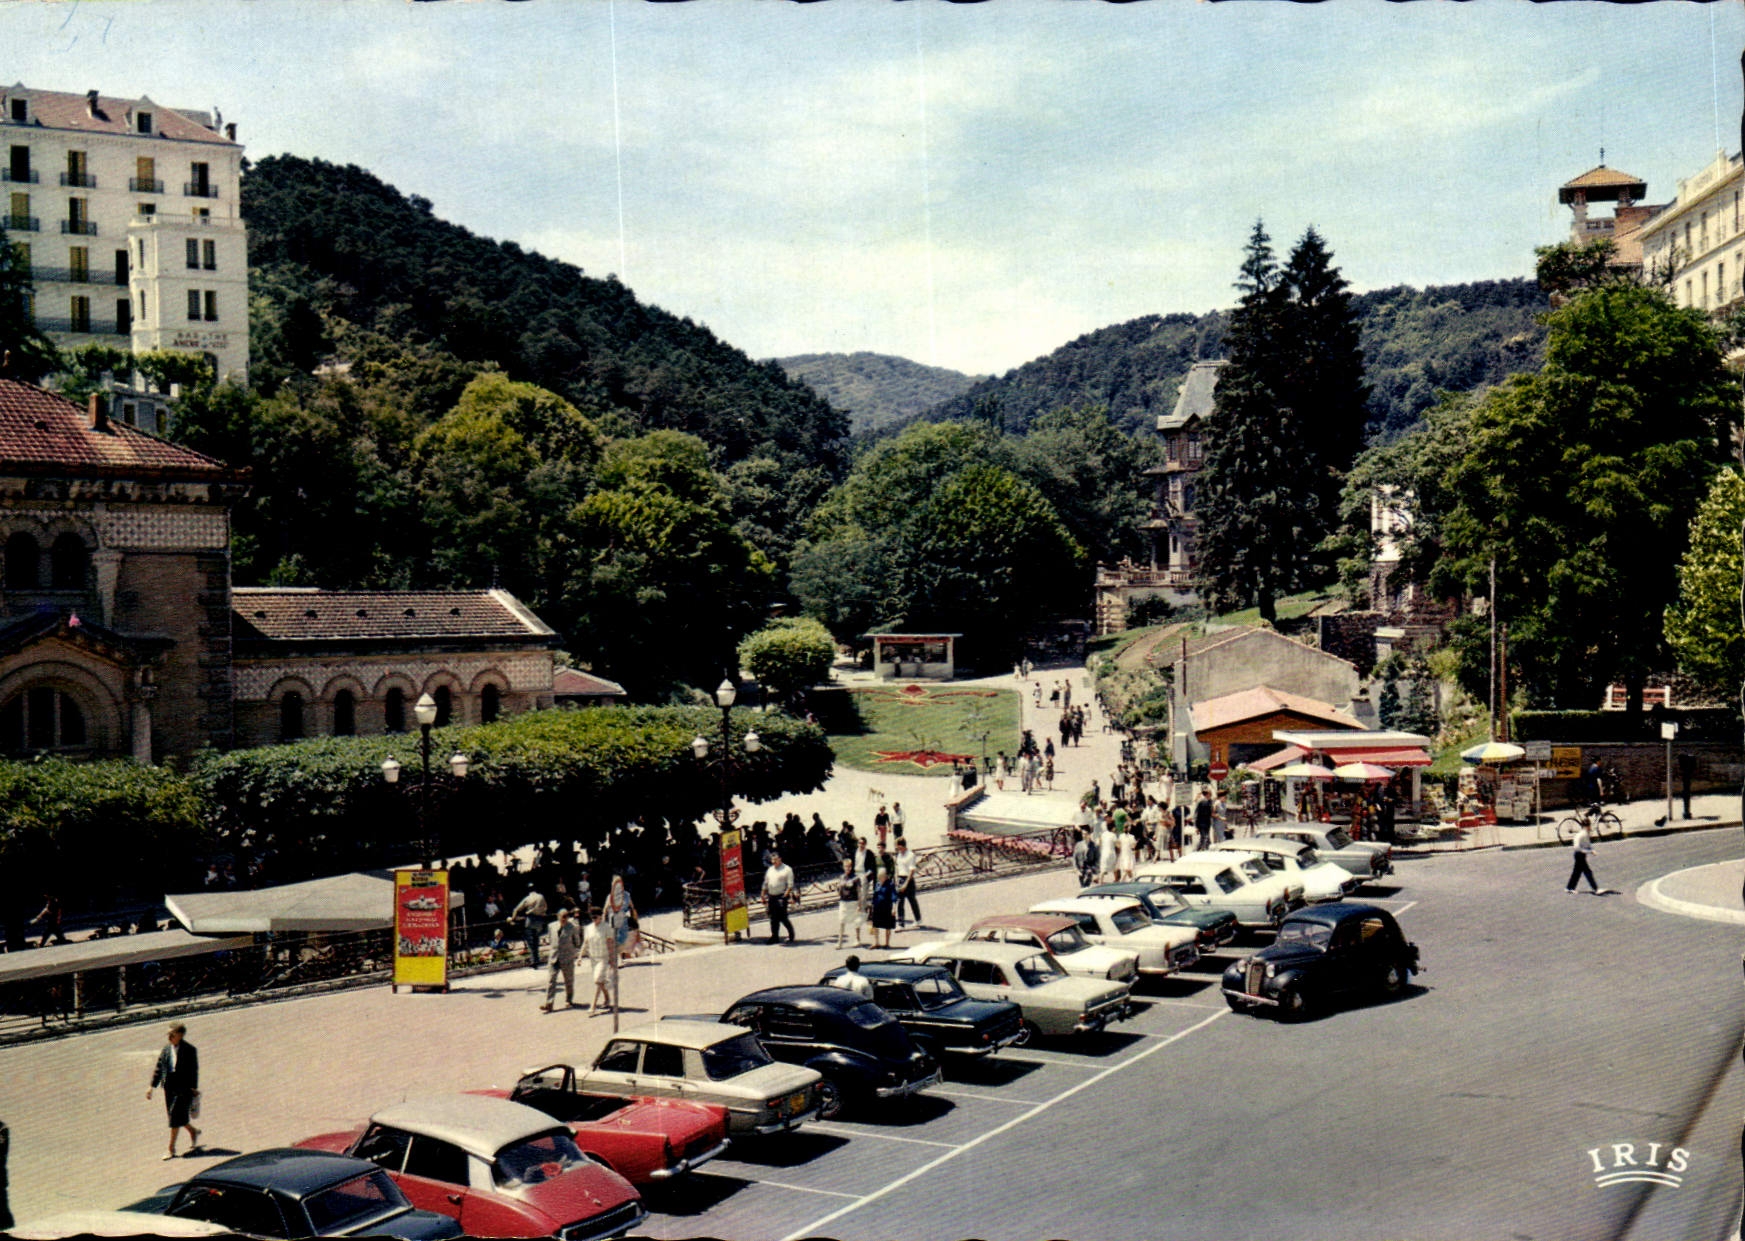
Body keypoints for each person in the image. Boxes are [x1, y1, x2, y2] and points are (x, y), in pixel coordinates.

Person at [146, 1022, 201, 1160]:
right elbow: (159, 1068)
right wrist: (151, 1086)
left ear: (180, 1035)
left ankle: (171, 1149)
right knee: (175, 1116)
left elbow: (193, 1070)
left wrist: (193, 1087)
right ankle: (193, 1131)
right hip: (169, 1088)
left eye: (172, 1034)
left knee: (175, 1117)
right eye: (168, 1034)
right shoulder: (165, 1050)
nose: (169, 1037)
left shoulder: (189, 1050)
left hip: (183, 1089)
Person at [540, 908, 583, 1012]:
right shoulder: (551, 926)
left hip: (567, 957)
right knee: (551, 980)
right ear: (558, 916)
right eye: (562, 916)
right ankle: (549, 1003)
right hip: (554, 957)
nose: (564, 919)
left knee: (568, 980)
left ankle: (569, 999)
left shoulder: (572, 927)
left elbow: (577, 942)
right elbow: (551, 939)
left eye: (566, 916)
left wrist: (573, 952)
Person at [582, 909, 614, 1014]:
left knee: (597, 980)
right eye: (592, 917)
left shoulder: (606, 927)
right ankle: (607, 998)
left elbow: (610, 943)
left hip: (603, 958)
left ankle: (593, 1006)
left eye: (595, 917)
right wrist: (579, 956)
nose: (594, 919)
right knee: (600, 981)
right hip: (593, 958)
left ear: (601, 916)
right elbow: (585, 942)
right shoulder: (588, 928)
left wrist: (612, 959)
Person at [510, 883, 549, 968]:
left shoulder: (527, 899)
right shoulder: (541, 897)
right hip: (539, 921)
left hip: (530, 921)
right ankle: (537, 959)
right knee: (536, 940)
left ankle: (533, 961)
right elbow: (545, 908)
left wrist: (513, 919)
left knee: (531, 942)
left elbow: (516, 909)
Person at [762, 850, 797, 944]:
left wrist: (785, 896)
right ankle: (774, 936)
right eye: (772, 860)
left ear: (780, 859)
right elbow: (766, 882)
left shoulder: (787, 869)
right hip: (771, 896)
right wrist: (763, 894)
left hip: (781, 896)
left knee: (782, 917)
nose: (773, 862)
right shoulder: (770, 869)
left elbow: (790, 885)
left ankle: (791, 934)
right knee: (773, 918)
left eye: (775, 859)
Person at [834, 858, 864, 949]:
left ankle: (857, 939)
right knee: (841, 921)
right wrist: (839, 887)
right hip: (844, 902)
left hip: (853, 901)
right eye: (846, 866)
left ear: (851, 867)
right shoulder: (842, 877)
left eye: (849, 866)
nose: (847, 868)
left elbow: (859, 891)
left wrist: (860, 904)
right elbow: (838, 891)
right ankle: (840, 942)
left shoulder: (856, 878)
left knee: (856, 921)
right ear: (843, 867)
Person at [1567, 821, 1601, 894]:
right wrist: (1590, 851)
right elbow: (1577, 847)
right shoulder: (1582, 834)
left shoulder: (1585, 834)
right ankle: (1595, 889)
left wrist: (1592, 850)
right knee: (1587, 872)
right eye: (1589, 826)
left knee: (1576, 872)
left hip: (1580, 854)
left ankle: (1569, 887)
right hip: (1579, 855)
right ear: (1586, 826)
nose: (1590, 828)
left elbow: (1588, 844)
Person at [893, 838, 921, 928]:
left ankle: (918, 919)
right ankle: (901, 924)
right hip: (901, 878)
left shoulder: (910, 855)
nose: (898, 849)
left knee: (912, 900)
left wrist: (906, 884)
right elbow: (898, 867)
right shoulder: (899, 855)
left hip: (908, 879)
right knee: (900, 902)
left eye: (899, 847)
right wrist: (897, 879)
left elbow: (912, 871)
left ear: (903, 845)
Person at [869, 868, 897, 948]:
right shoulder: (877, 884)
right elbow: (875, 895)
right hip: (877, 907)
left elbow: (894, 896)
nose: (880, 878)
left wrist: (894, 908)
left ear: (885, 876)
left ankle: (887, 943)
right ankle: (876, 942)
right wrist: (872, 905)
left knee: (887, 926)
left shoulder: (890, 884)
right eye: (879, 876)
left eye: (881, 876)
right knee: (875, 925)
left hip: (887, 907)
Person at [1194, 788, 1214, 852]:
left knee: (1205, 837)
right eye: (1210, 793)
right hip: (1201, 823)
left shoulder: (1210, 801)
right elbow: (1196, 814)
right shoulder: (1201, 802)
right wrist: (1196, 826)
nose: (1211, 794)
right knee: (1205, 837)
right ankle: (1200, 850)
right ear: (1207, 794)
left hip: (1207, 822)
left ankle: (1201, 849)